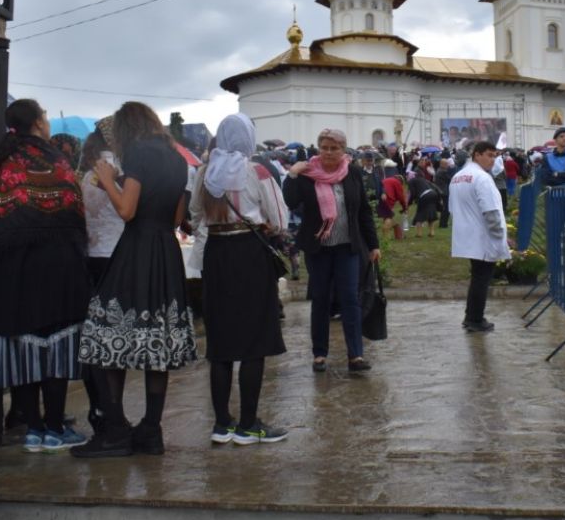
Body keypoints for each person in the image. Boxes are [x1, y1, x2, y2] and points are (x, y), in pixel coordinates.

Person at [74, 102, 197, 458]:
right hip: (165, 252)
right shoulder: (177, 158)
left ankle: (115, 431)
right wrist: (120, 184)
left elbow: (127, 211)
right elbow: (175, 217)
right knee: (156, 341)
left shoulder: (138, 153)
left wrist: (107, 180)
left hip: (137, 249)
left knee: (104, 335)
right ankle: (151, 430)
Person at [0, 99, 90, 453]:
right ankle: (55, 427)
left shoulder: (3, 160)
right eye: (44, 115)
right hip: (57, 265)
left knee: (25, 348)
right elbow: (74, 209)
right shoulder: (55, 160)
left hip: (15, 267)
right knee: (56, 348)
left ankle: (32, 428)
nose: (47, 120)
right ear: (37, 122)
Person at [195, 114, 290, 445]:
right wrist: (264, 223)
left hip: (216, 255)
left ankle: (222, 423)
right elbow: (280, 219)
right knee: (254, 340)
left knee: (220, 343)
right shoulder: (257, 171)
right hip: (249, 254)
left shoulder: (205, 173)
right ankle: (248, 424)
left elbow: (195, 214)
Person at [284, 128, 381, 374]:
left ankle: (356, 355)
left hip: (347, 247)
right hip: (318, 249)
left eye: (334, 148)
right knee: (321, 299)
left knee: (350, 299)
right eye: (324, 148)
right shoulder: (308, 173)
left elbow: (363, 211)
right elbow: (291, 201)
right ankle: (319, 354)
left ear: (343, 150)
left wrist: (373, 244)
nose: (328, 152)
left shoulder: (353, 172)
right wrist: (292, 175)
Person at [76, 117, 123, 436]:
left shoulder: (84, 175)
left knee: (94, 336)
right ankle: (112, 410)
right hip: (115, 258)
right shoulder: (116, 170)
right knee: (114, 339)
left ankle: (99, 407)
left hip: (90, 258)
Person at [449, 141, 510, 332]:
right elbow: (491, 211)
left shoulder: (458, 177)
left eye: (495, 156)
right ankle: (475, 319)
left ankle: (471, 315)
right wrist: (500, 236)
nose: (493, 160)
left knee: (477, 277)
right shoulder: (482, 178)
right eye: (489, 155)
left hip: (467, 235)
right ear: (477, 155)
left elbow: (452, 208)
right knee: (481, 279)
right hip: (483, 236)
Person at [406, 170, 441, 239]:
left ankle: (419, 233)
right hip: (433, 194)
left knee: (420, 214)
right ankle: (432, 232)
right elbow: (435, 188)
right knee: (431, 214)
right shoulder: (425, 180)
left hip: (424, 196)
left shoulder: (411, 181)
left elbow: (412, 193)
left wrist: (409, 203)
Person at [379, 163, 407, 239]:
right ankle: (386, 237)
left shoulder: (386, 179)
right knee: (389, 216)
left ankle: (397, 234)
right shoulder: (397, 182)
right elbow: (401, 197)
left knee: (387, 216)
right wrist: (404, 208)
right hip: (387, 199)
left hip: (379, 198)